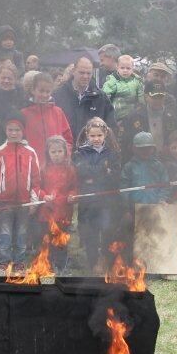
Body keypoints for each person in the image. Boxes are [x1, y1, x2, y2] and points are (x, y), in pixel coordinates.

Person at [0, 112, 41, 270]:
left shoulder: (31, 152)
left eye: (17, 130)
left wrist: (34, 201)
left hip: (24, 202)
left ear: (22, 131)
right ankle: (4, 261)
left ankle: (19, 262)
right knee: (5, 233)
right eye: (10, 129)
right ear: (6, 130)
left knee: (22, 233)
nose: (14, 133)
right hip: (5, 202)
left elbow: (36, 180)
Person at [73, 117, 120, 273]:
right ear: (87, 135)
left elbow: (115, 175)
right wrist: (103, 170)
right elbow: (81, 172)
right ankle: (93, 263)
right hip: (88, 200)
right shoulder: (80, 152)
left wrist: (95, 174)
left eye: (99, 135)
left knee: (106, 229)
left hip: (106, 200)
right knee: (90, 232)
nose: (96, 139)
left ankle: (106, 260)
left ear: (105, 134)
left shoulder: (112, 152)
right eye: (92, 136)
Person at [37, 135, 76, 272]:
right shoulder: (43, 169)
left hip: (64, 212)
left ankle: (61, 266)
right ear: (48, 153)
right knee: (47, 239)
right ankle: (47, 264)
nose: (57, 155)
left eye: (60, 151)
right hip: (47, 212)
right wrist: (44, 195)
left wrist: (72, 195)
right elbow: (37, 187)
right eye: (53, 152)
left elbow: (74, 187)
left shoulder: (70, 169)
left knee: (61, 240)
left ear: (65, 152)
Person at [53, 56, 115, 142]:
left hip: (93, 151)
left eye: (88, 73)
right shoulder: (58, 95)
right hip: (66, 150)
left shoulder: (101, 98)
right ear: (74, 71)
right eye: (82, 73)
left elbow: (110, 125)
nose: (85, 76)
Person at [20, 71, 72, 168]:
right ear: (33, 90)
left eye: (47, 91)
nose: (44, 94)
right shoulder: (24, 114)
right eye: (41, 91)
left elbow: (67, 138)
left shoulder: (58, 112)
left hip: (56, 167)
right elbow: (20, 140)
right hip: (33, 166)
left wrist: (65, 156)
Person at [119, 81, 177, 160]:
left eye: (160, 97)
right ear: (146, 96)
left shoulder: (173, 116)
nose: (158, 100)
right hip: (140, 161)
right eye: (154, 97)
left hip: (167, 160)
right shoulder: (134, 117)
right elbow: (126, 142)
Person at [121, 131, 169, 205]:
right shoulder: (129, 167)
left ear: (153, 148)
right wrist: (127, 208)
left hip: (155, 206)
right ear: (134, 149)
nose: (145, 151)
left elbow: (165, 185)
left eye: (148, 148)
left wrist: (162, 199)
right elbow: (124, 189)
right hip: (135, 207)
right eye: (141, 148)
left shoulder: (159, 166)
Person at [102, 54, 143, 121]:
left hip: (132, 112)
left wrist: (141, 105)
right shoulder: (112, 80)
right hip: (117, 112)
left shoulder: (137, 80)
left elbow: (141, 95)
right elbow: (105, 95)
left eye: (128, 68)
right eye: (122, 68)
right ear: (117, 68)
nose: (125, 70)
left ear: (132, 69)